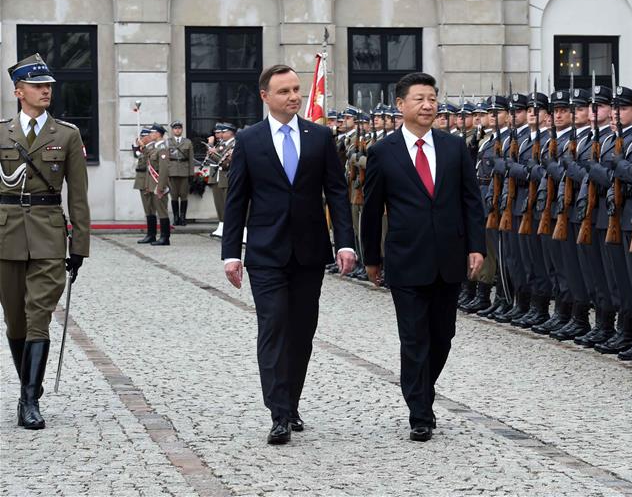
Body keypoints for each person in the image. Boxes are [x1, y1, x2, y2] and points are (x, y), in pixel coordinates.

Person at [221, 64, 355, 445]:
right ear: (265, 96)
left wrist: (345, 242)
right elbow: (236, 200)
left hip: (310, 252)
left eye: (297, 89)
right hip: (265, 253)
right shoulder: (249, 139)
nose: (294, 97)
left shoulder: (319, 137)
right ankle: (278, 412)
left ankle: (291, 401)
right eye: (284, 91)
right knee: (274, 327)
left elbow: (337, 193)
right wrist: (231, 253)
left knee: (301, 332)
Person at [361, 71, 486, 442]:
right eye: (419, 99)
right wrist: (372, 258)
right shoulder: (382, 152)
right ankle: (420, 412)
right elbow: (371, 209)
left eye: (432, 98)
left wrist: (476, 246)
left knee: (442, 336)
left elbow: (470, 201)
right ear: (401, 105)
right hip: (406, 259)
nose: (428, 105)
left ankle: (421, 389)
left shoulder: (453, 148)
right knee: (414, 338)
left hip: (449, 257)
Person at [1, 53, 90, 430]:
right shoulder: (1, 132)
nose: (46, 91)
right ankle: (27, 388)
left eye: (49, 86)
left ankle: (29, 400)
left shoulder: (66, 134)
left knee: (39, 318)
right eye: (38, 86)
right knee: (15, 320)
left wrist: (79, 246)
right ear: (19, 91)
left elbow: (79, 195)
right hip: (5, 235)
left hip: (50, 234)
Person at [166, 120, 193, 226]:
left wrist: (191, 173)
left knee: (184, 196)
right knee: (173, 196)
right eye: (175, 128)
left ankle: (183, 217)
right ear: (172, 130)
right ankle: (176, 217)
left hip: (184, 171)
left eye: (179, 128)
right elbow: (165, 159)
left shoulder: (188, 142)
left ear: (182, 129)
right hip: (172, 171)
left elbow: (191, 158)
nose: (177, 130)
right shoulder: (168, 142)